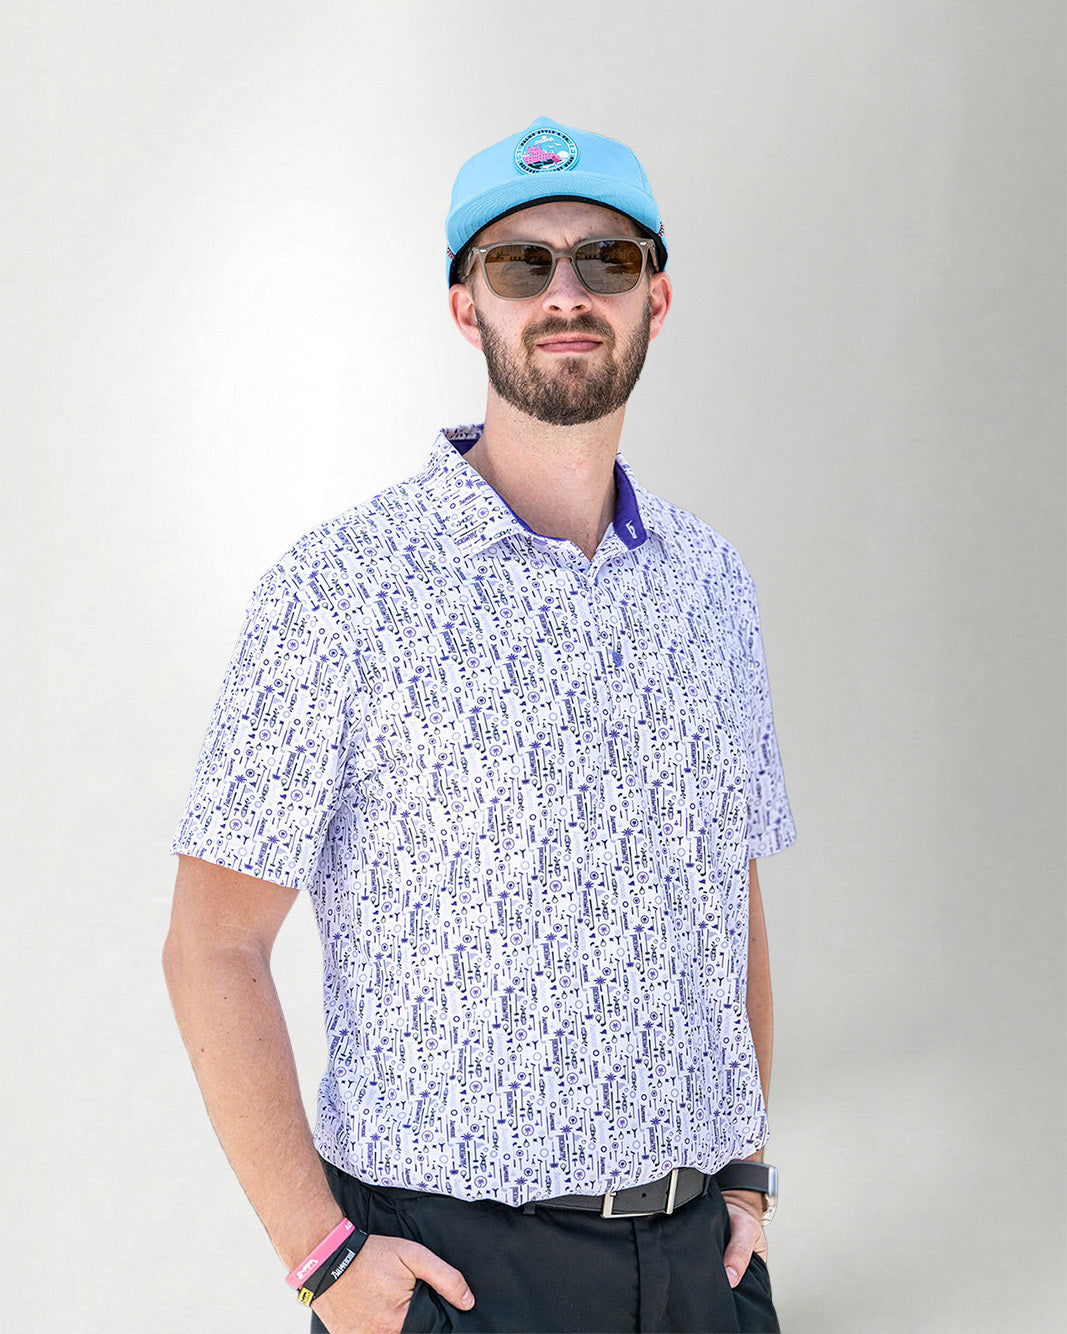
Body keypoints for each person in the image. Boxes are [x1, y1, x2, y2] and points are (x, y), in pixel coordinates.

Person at [163, 116, 796, 1334]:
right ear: (467, 308)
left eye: (605, 259)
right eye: (521, 264)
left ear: (655, 299)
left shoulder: (712, 585)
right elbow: (211, 942)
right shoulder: (343, 590)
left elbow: (732, 892)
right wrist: (321, 1257)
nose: (566, 293)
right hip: (453, 1273)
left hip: (697, 1265)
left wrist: (747, 1172)